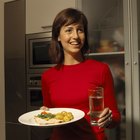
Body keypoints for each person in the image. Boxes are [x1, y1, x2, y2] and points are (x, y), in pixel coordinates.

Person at [41, 8, 121, 140]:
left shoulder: (101, 70)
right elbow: (52, 115)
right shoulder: (48, 76)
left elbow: (116, 118)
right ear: (58, 37)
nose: (76, 36)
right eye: (69, 30)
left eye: (80, 30)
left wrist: (108, 118)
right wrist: (45, 114)